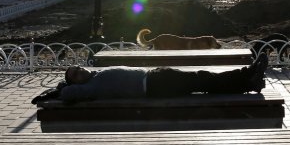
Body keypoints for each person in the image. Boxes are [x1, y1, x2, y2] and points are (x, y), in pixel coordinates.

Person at [32, 53, 269, 104]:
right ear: (75, 82)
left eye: (76, 68)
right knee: (203, 80)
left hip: (155, 76)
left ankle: (249, 77)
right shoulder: (89, 88)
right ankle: (248, 77)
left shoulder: (95, 75)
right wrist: (60, 86)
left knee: (202, 80)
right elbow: (66, 94)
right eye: (74, 74)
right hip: (154, 85)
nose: (79, 70)